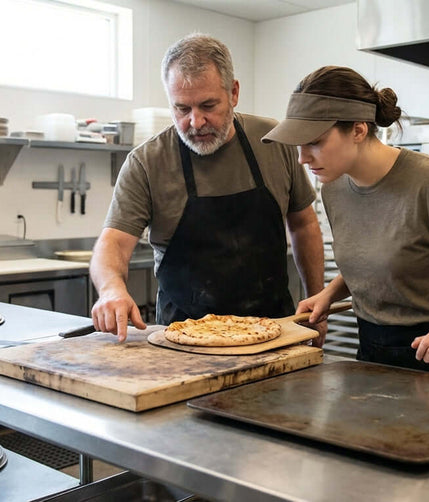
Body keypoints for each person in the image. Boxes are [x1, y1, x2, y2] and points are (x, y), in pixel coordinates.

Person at [261, 66, 429, 380]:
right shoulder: (334, 189)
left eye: (314, 142)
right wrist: (329, 294)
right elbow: (374, 257)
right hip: (372, 354)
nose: (302, 158)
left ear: (358, 130)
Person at [90, 33, 325, 342]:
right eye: (181, 109)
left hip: (273, 333)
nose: (196, 122)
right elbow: (113, 243)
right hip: (182, 340)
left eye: (208, 105)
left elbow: (304, 225)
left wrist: (316, 303)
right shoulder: (147, 162)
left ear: (234, 92)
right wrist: (111, 289)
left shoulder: (273, 141)